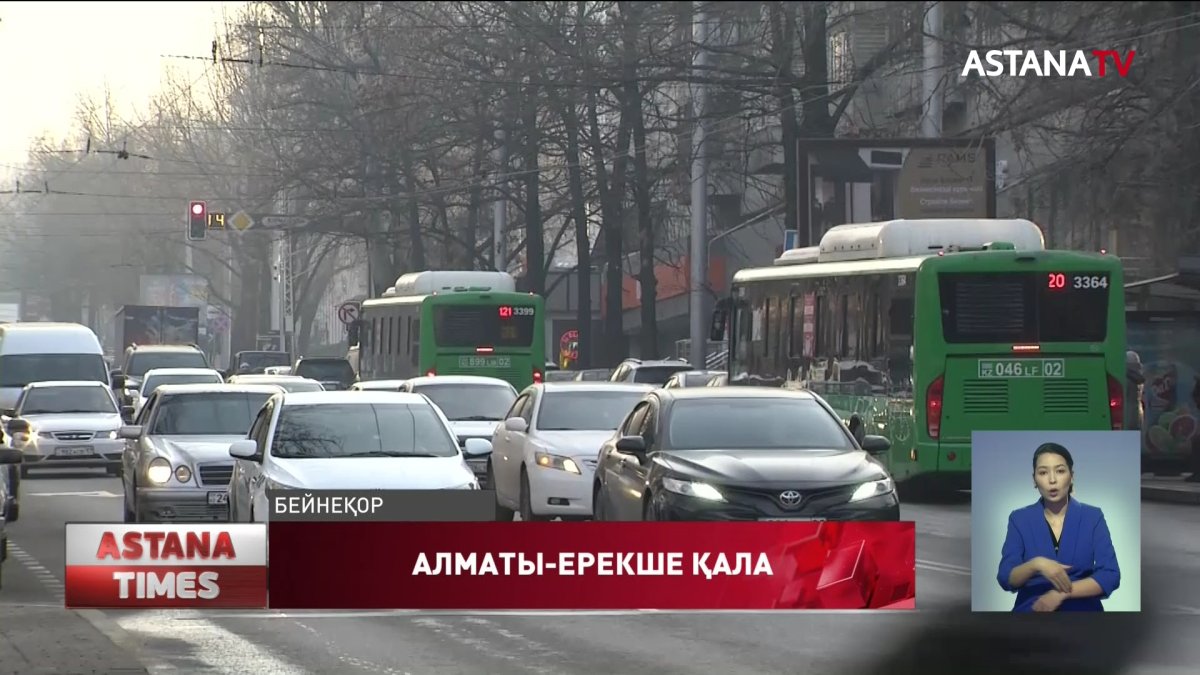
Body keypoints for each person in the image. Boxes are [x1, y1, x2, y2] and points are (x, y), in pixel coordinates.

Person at [995, 442, 1120, 612]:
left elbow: (1110, 575)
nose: (1052, 480)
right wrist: (1037, 564)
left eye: (1060, 471)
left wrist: (1062, 594)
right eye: (1043, 472)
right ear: (1034, 479)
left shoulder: (1093, 516)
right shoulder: (1019, 519)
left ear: (1072, 476)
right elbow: (1006, 577)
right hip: (1032, 610)